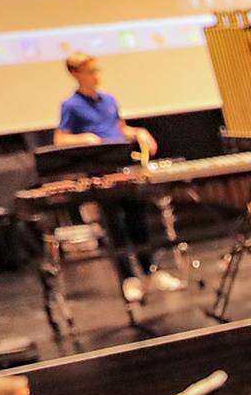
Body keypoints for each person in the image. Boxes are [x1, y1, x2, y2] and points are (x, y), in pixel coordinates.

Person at [52, 53, 183, 305]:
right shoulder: (71, 105)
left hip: (123, 167)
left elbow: (120, 128)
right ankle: (128, 278)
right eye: (90, 71)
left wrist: (139, 132)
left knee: (138, 220)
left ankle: (150, 271)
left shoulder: (108, 99)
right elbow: (60, 138)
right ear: (76, 74)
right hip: (100, 173)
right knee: (115, 225)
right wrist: (86, 138)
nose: (96, 75)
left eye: (96, 70)